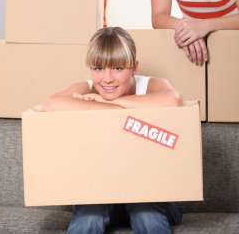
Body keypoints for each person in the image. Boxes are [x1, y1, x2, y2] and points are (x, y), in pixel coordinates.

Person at [43, 26, 183, 234]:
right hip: (102, 194)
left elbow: (172, 101)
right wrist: (111, 106)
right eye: (99, 69)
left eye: (118, 68)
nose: (107, 79)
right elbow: (51, 105)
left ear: (134, 67)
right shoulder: (87, 87)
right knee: (89, 217)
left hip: (151, 196)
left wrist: (110, 101)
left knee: (146, 212)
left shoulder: (151, 85)